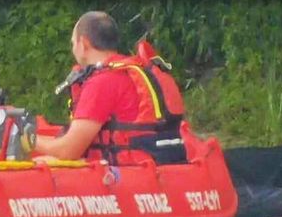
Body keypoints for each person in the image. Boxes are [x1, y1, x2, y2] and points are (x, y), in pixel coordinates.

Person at [31, 11, 186, 164]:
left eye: (73, 43)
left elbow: (69, 150)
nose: (73, 49)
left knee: (41, 162)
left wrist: (29, 139)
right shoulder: (130, 71)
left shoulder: (101, 82)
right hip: (156, 164)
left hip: (125, 175)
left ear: (84, 44)